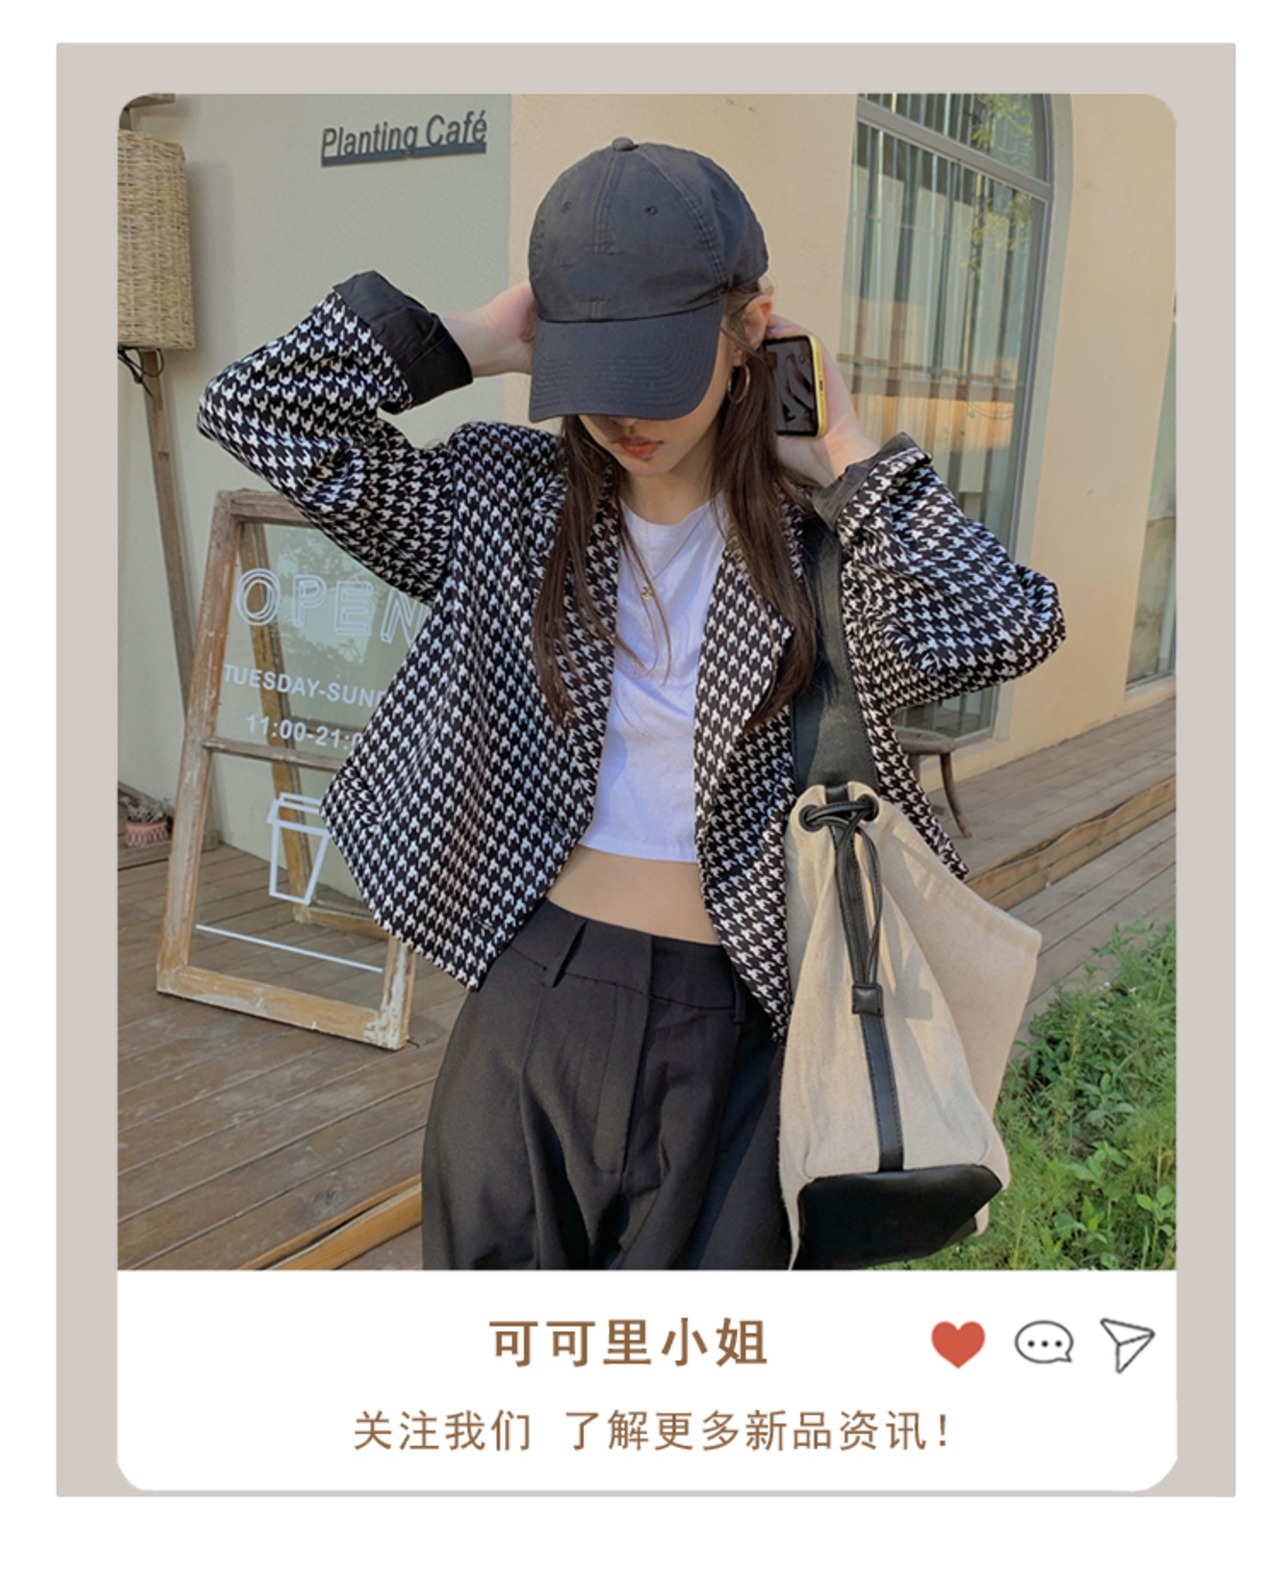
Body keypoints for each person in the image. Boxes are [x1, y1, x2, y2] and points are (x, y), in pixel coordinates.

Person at [198, 137, 1064, 1272]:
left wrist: (846, 451)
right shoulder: (501, 501)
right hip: (535, 991)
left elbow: (1009, 626)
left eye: (654, 371)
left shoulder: (822, 541)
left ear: (750, 330)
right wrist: (468, 341)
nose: (620, 414)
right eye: (590, 372)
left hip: (748, 1010)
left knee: (686, 1356)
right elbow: (258, 408)